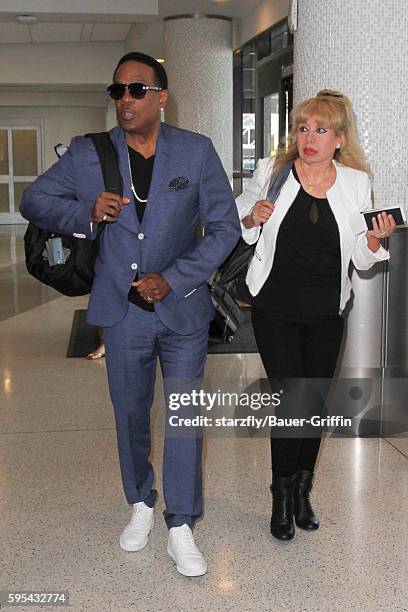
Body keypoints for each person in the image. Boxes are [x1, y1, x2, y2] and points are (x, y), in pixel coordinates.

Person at [20, 51, 240, 575]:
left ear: (162, 96)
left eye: (137, 90)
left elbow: (225, 228)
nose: (126, 100)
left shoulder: (196, 152)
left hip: (182, 309)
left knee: (184, 417)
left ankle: (181, 523)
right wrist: (86, 211)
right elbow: (34, 199)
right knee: (130, 416)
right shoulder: (87, 154)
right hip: (121, 313)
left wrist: (177, 276)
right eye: (117, 91)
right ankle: (141, 502)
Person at [236, 89, 396, 541]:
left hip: (327, 310)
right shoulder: (273, 172)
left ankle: (303, 488)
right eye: (303, 128)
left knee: (314, 407)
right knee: (292, 402)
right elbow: (239, 223)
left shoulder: (355, 182)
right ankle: (281, 498)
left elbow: (362, 261)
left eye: (320, 129)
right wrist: (252, 217)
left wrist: (374, 239)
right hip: (274, 307)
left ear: (339, 138)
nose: (308, 137)